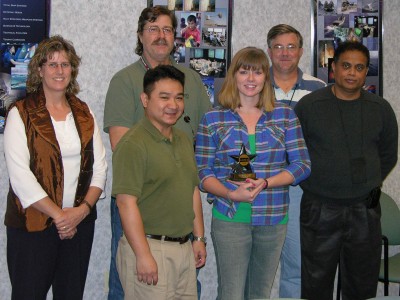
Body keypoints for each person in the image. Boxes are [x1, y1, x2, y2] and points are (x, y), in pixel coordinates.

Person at [103, 6, 211, 300]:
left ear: (175, 36)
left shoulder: (192, 80)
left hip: (181, 198)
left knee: (185, 281)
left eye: (167, 29)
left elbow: (206, 136)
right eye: (153, 29)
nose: (161, 36)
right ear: (140, 35)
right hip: (140, 198)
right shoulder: (124, 80)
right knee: (129, 281)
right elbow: (121, 145)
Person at [195, 47, 311, 300]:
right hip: (230, 216)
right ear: (233, 76)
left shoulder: (285, 116)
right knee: (231, 293)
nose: (250, 79)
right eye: (244, 71)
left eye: (257, 73)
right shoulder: (213, 118)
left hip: (273, 217)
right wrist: (230, 193)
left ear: (265, 78)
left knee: (259, 294)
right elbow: (203, 172)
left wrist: (267, 182)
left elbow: (302, 165)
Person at [3, 35, 107, 300]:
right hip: (33, 226)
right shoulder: (20, 113)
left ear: (72, 69)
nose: (59, 70)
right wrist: (59, 216)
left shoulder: (85, 112)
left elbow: (100, 168)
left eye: (65, 64)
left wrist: (80, 212)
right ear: (39, 70)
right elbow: (20, 178)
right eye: (52, 64)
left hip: (78, 225)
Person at [295, 41, 398, 300]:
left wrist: (367, 182)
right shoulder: (310, 106)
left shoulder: (381, 109)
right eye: (346, 66)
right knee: (316, 284)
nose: (352, 73)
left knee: (361, 285)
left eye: (360, 67)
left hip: (364, 211)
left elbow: (388, 155)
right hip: (319, 209)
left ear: (366, 72)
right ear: (334, 68)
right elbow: (296, 152)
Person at [112, 65, 206, 299]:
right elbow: (125, 203)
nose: (173, 105)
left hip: (184, 250)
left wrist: (199, 238)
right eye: (164, 97)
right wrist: (143, 255)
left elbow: (192, 190)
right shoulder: (133, 144)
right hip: (150, 248)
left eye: (178, 98)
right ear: (145, 99)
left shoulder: (184, 140)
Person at [266, 24, 326, 298]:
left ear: (301, 51)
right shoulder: (253, 83)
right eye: (278, 47)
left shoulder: (318, 88)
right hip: (260, 189)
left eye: (291, 47)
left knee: (296, 263)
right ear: (270, 51)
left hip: (300, 189)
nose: (285, 53)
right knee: (255, 266)